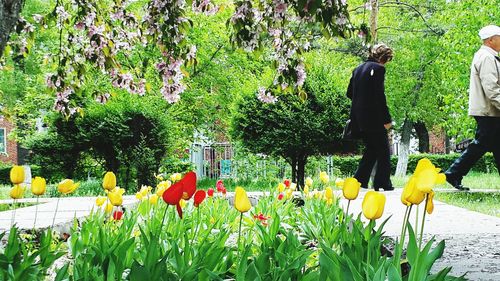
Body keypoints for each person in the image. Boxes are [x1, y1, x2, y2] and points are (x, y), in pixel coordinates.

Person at [445, 25, 500, 190]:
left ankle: (453, 173)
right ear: (491, 40)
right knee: (480, 145)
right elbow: (492, 89)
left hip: (489, 110)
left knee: (493, 145)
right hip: (489, 111)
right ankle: (453, 173)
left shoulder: (487, 56)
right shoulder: (487, 58)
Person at [346, 43, 394, 191]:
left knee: (372, 149)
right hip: (373, 118)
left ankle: (359, 180)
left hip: (358, 117)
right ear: (384, 58)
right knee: (384, 150)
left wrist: (361, 99)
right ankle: (382, 182)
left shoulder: (357, 69)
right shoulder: (379, 69)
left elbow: (349, 93)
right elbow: (380, 96)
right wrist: (387, 120)